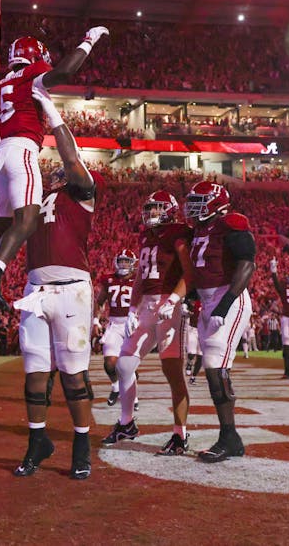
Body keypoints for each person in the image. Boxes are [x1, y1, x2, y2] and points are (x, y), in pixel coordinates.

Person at [0, 26, 109, 323]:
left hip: (0, 154)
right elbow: (65, 72)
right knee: (27, 220)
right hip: (22, 151)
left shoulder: (3, 82)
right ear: (34, 56)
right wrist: (88, 41)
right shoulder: (32, 75)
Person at [11, 120, 99, 480]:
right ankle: (38, 442)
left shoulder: (81, 193)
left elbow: (72, 157)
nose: (58, 171)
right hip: (35, 291)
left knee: (73, 376)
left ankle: (82, 446)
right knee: (34, 375)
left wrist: (51, 113)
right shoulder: (35, 198)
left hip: (71, 290)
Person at [102, 190, 193, 456]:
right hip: (146, 307)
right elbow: (141, 275)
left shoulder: (178, 232)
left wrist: (174, 299)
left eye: (157, 208)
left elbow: (190, 272)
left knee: (172, 372)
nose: (151, 212)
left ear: (170, 210)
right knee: (124, 364)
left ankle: (180, 434)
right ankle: (127, 423)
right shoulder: (146, 235)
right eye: (150, 208)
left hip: (169, 307)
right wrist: (132, 307)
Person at [183, 180, 256, 463]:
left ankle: (230, 437)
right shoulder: (201, 230)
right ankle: (230, 437)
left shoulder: (231, 224)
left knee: (216, 367)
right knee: (213, 368)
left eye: (200, 201)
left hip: (228, 298)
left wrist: (224, 306)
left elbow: (246, 264)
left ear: (215, 203)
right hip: (207, 301)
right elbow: (201, 269)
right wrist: (191, 298)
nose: (194, 207)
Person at [94, 249, 136, 406]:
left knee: (128, 364)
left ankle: (133, 397)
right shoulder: (109, 279)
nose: (124, 264)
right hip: (114, 324)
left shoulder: (138, 280)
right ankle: (116, 387)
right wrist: (96, 321)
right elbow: (100, 302)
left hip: (133, 324)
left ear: (133, 264)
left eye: (127, 261)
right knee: (110, 363)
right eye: (121, 260)